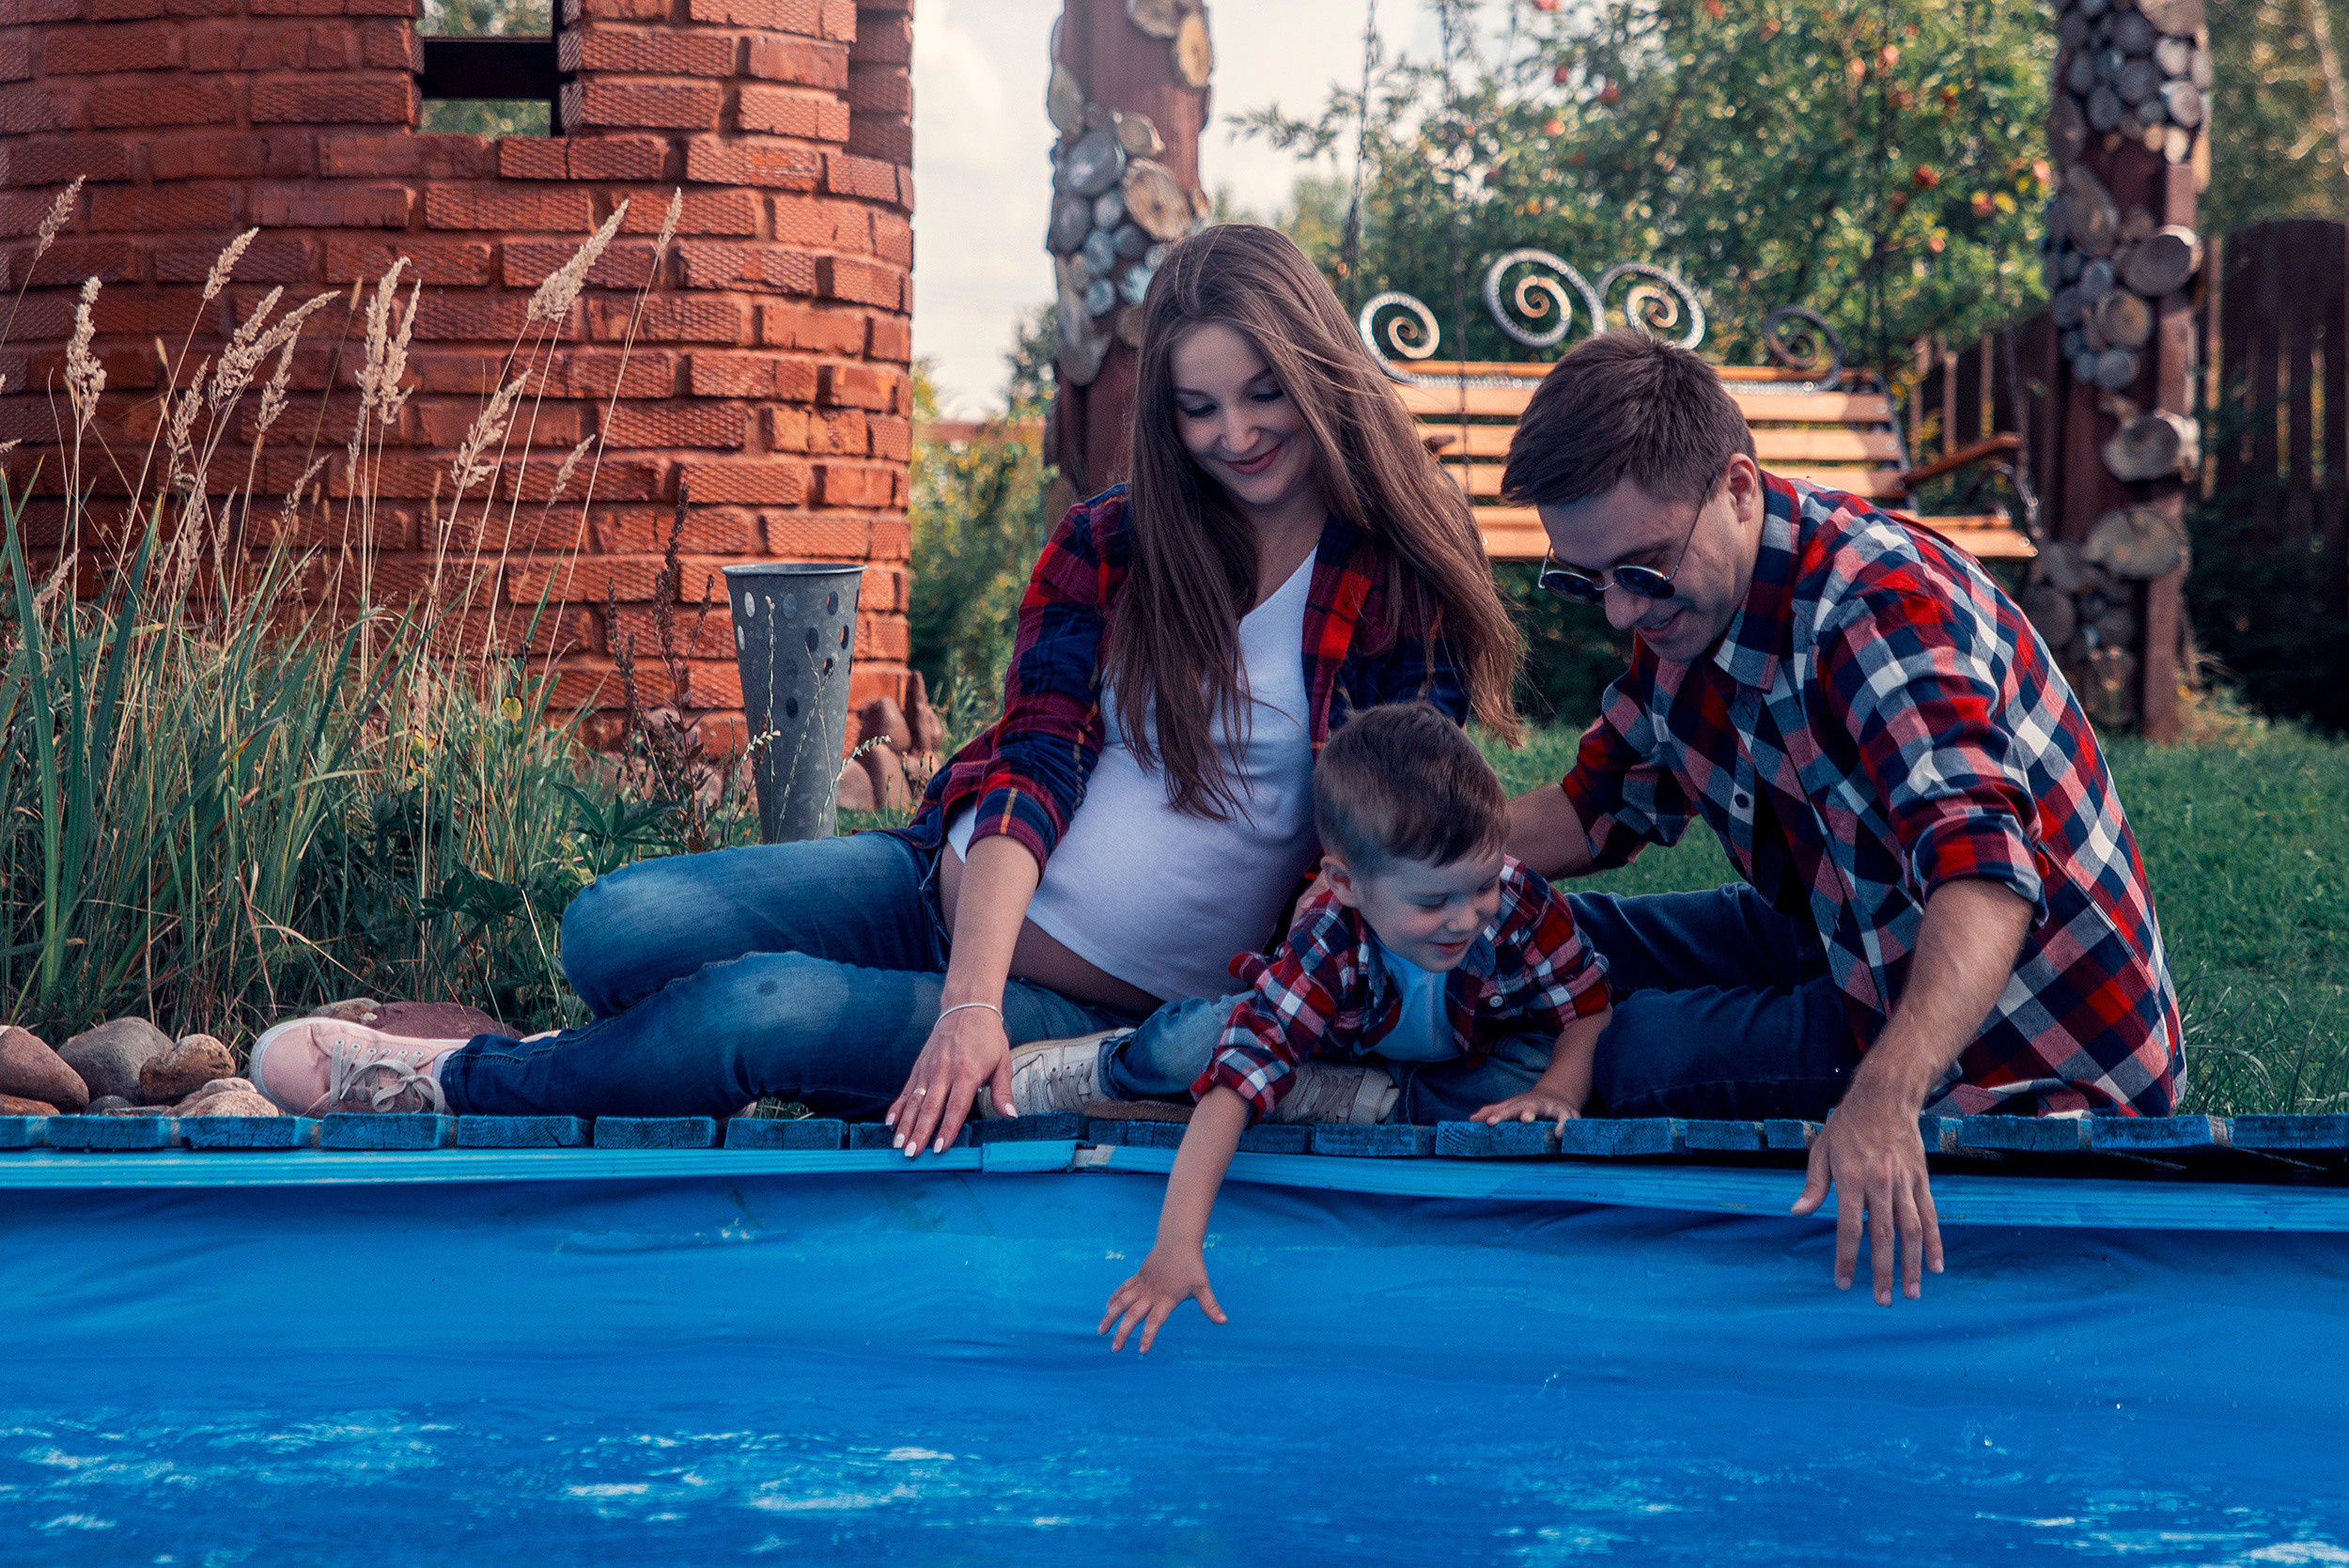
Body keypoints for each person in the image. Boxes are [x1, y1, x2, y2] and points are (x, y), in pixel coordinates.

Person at [245, 224, 1525, 1146]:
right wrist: (962, 996)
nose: (1234, 433)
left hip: (1080, 1001)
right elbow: (1036, 765)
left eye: (1262, 393)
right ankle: (626, 1058)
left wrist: (1188, 1030)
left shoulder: (1395, 579)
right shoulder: (1118, 541)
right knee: (613, 925)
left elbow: (1384, 847)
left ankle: (453, 1084)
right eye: (1196, 407)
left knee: (760, 1011)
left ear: (1316, 369)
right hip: (944, 889)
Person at [1500, 331, 2180, 1309]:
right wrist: (1384, 860)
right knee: (1540, 928)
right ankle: (1410, 1011)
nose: (1617, 612)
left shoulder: (1875, 612)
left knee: (1631, 1050)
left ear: (1737, 486)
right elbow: (1587, 810)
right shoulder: (1684, 607)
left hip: (2019, 1040)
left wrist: (1883, 1096)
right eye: (1584, 578)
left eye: (1640, 569)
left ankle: (1405, 1089)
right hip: (1852, 932)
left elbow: (1985, 875)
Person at [1099, 702, 1613, 1354]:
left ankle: (1347, 1095)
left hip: (1450, 1062)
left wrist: (1561, 1091)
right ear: (1344, 882)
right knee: (1195, 1049)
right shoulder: (1328, 938)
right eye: (1433, 902)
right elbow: (1233, 1083)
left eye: (1479, 884)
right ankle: (1106, 1060)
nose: (1466, 917)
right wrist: (1176, 1246)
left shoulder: (1516, 900)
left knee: (1532, 1077)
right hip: (1323, 1039)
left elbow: (1588, 1006)